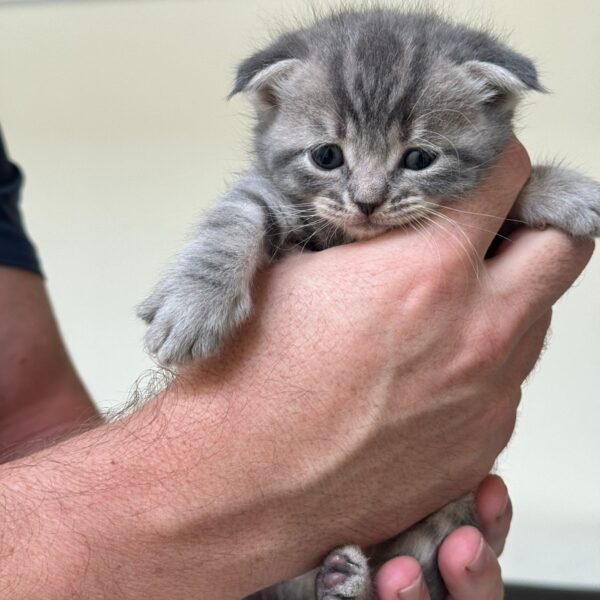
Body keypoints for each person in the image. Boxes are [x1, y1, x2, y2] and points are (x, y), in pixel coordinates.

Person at [0, 127, 593, 600]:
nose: (366, 196)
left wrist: (525, 198)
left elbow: (37, 427)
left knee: (438, 553)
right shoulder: (284, 200)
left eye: (415, 156)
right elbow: (254, 203)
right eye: (331, 154)